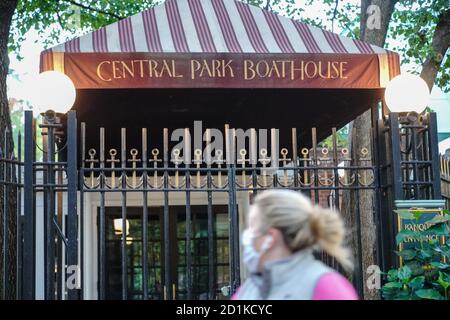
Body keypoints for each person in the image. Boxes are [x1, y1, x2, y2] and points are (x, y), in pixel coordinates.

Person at [234, 189, 358, 300]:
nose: (247, 236)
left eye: (252, 228)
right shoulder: (249, 288)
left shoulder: (327, 287)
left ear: (271, 238)